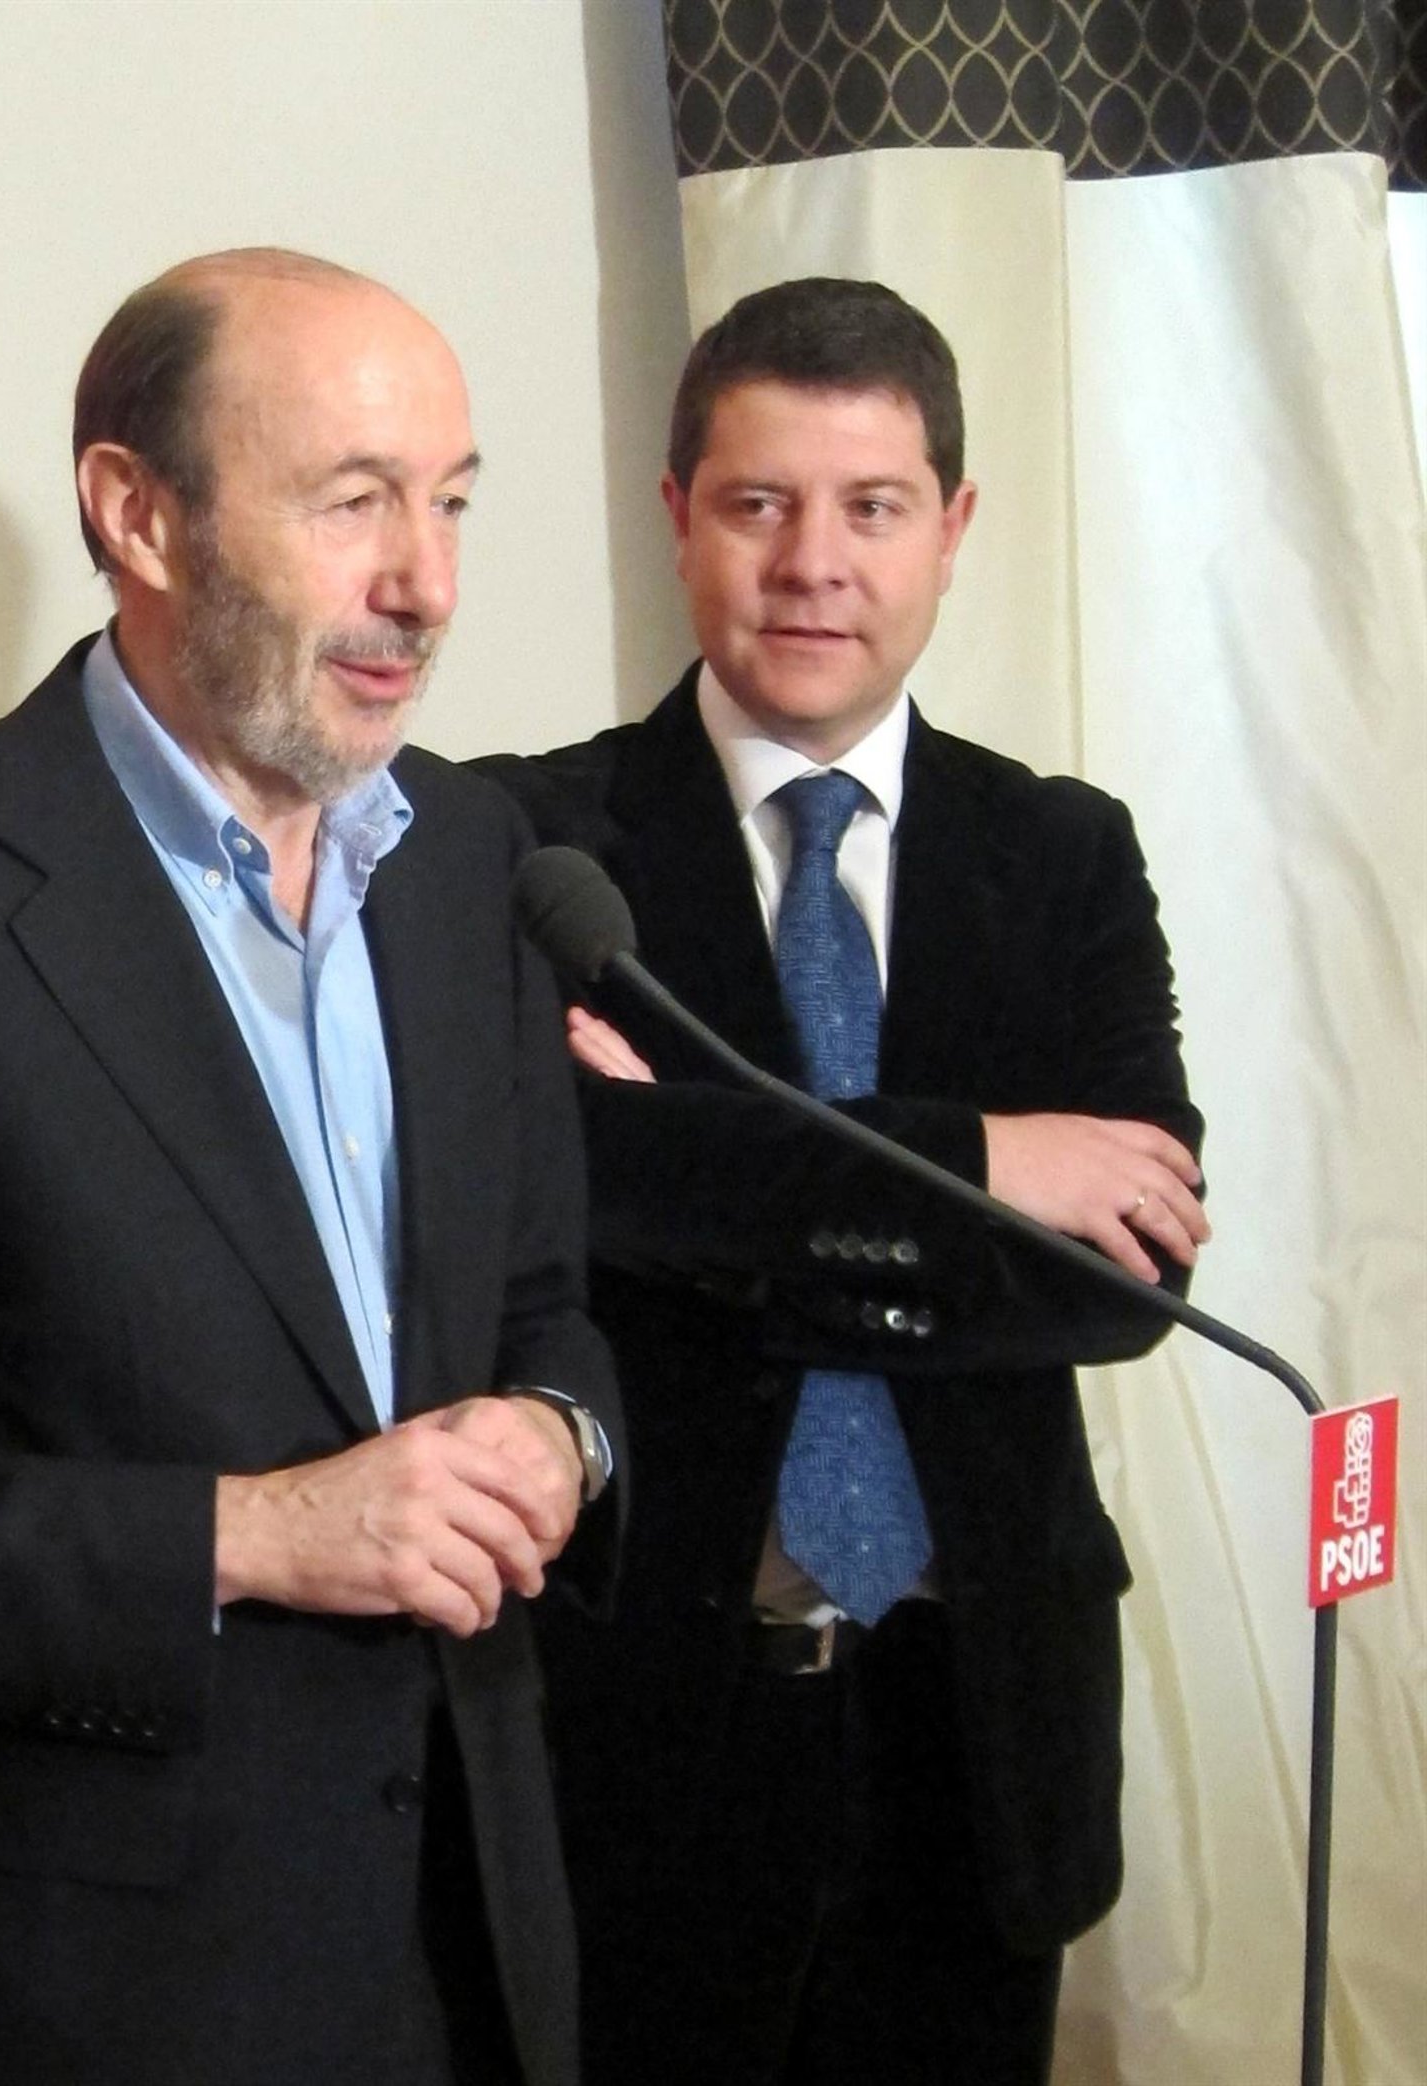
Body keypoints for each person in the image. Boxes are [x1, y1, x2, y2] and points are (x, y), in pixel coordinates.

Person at [0, 249, 619, 2086]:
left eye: (452, 502)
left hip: (469, 1959)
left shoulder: (476, 859)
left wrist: (564, 1441)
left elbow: (547, 1308)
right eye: (354, 501)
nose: (425, 581)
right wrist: (251, 1532)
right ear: (137, 513)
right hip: (103, 2004)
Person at [477, 277, 1208, 2085]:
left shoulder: (1063, 853)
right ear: (677, 517)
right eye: (758, 502)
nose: (814, 562)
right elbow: (551, 1190)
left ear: (952, 528)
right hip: (646, 1725)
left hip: (976, 1726)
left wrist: (707, 1186)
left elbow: (1125, 1271)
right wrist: (987, 1163)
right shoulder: (528, 844)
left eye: (872, 506)